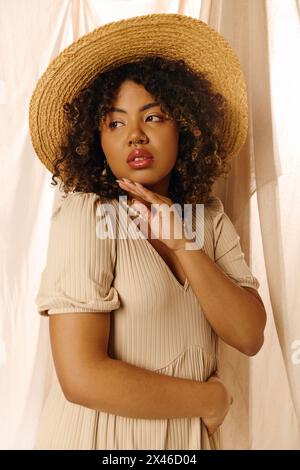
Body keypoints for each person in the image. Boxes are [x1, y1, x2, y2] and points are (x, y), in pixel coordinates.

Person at [29, 13, 267, 450]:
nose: (135, 136)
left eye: (154, 118)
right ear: (95, 139)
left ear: (186, 128)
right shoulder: (87, 214)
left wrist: (184, 244)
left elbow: (249, 335)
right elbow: (81, 378)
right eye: (115, 123)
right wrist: (210, 398)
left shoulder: (208, 218)